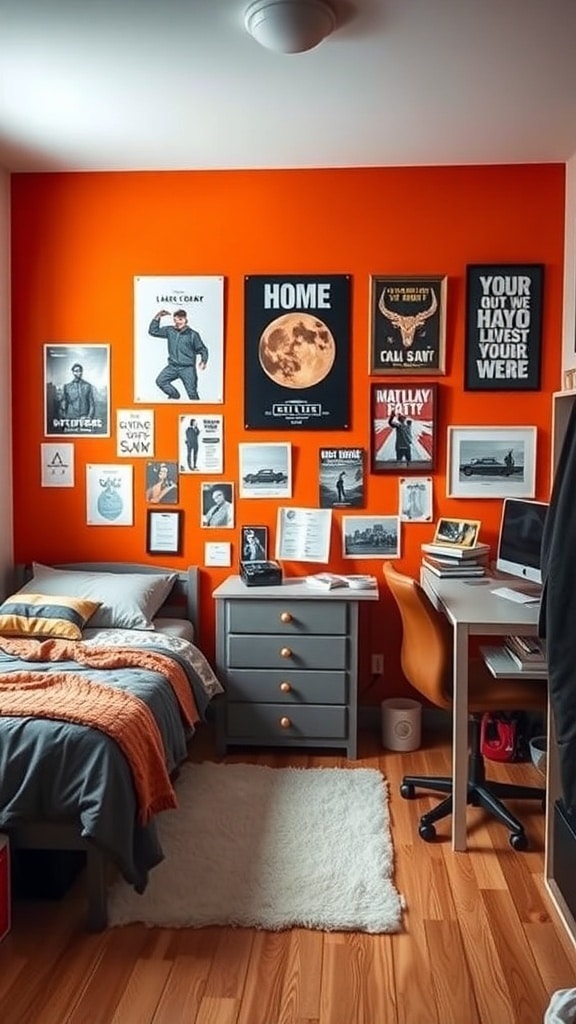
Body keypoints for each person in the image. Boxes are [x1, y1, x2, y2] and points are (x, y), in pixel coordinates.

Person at [149, 308, 209, 400]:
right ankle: (174, 395)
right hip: (172, 367)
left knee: (192, 393)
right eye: (175, 319)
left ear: (185, 320)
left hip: (187, 369)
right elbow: (153, 331)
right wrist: (158, 317)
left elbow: (202, 349)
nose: (177, 322)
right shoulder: (170, 331)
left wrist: (203, 361)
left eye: (180, 319)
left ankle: (197, 412)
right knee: (160, 381)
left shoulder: (193, 335)